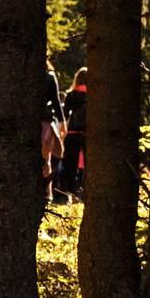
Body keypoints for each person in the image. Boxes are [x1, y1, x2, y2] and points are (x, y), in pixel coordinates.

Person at [57, 67, 87, 201]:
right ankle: (85, 192)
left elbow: (65, 114)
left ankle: (70, 193)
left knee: (71, 166)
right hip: (89, 135)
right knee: (87, 165)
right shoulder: (95, 95)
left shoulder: (71, 95)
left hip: (73, 133)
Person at [40, 56, 66, 208]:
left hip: (27, 122)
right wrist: (62, 123)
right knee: (46, 158)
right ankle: (46, 193)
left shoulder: (23, 76)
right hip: (45, 122)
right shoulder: (50, 78)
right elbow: (56, 101)